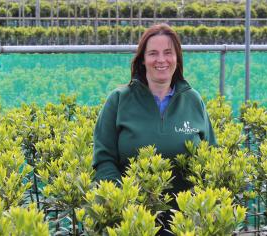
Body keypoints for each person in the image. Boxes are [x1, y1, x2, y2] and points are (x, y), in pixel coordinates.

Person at [92, 23, 216, 233]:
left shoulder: (193, 100)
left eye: (168, 52)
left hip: (185, 224)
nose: (161, 60)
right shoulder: (119, 100)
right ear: (142, 59)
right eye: (153, 53)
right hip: (132, 224)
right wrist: (125, 205)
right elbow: (104, 160)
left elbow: (211, 157)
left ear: (177, 58)